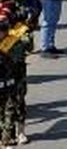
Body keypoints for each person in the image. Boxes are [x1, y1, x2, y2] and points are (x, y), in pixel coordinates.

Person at [0, 16, 30, 147]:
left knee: (18, 105)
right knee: (3, 111)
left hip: (16, 79)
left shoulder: (15, 41)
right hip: (2, 82)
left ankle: (20, 132)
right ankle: (7, 136)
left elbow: (24, 51)